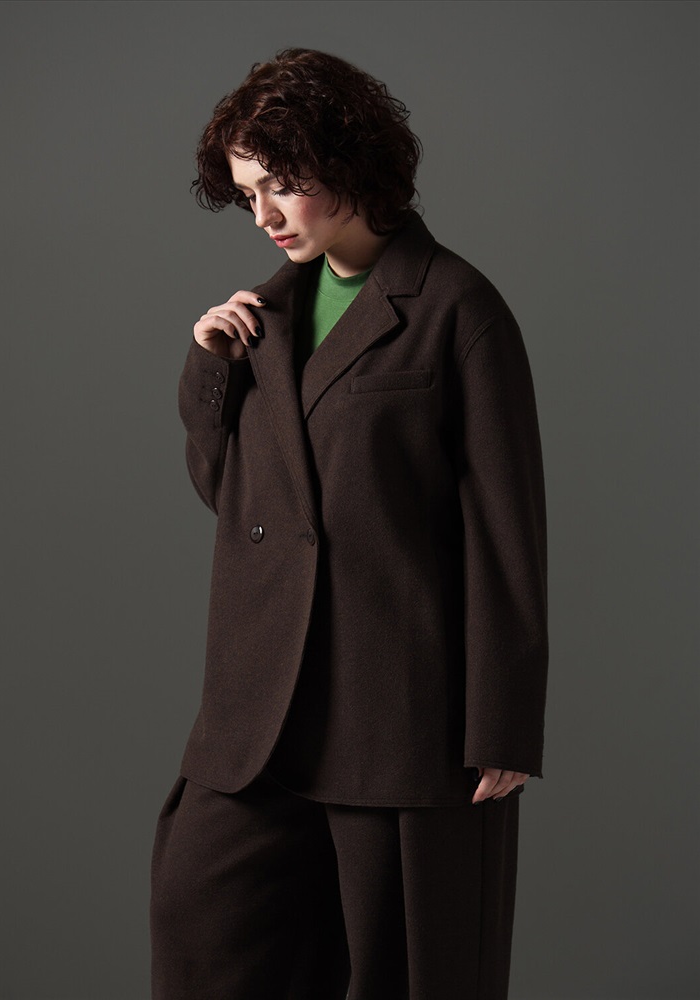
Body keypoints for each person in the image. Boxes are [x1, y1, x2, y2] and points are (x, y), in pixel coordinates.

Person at [150, 47, 548, 1000]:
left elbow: (507, 530)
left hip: (396, 714)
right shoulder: (266, 319)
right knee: (201, 926)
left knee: (401, 970)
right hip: (259, 716)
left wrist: (502, 722)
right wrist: (211, 370)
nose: (264, 215)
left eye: (281, 184)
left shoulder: (458, 309)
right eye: (247, 194)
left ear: (350, 160)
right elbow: (232, 497)